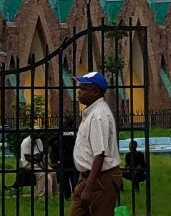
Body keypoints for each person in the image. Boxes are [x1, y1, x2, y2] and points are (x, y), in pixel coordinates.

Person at [71, 71, 122, 216]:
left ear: (95, 92)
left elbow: (100, 154)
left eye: (83, 88)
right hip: (90, 178)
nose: (78, 92)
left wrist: (88, 188)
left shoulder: (99, 115)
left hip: (100, 179)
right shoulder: (92, 113)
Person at [49, 117, 79, 201]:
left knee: (64, 179)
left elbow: (50, 141)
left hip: (64, 158)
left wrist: (57, 146)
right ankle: (76, 195)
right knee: (74, 178)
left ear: (65, 123)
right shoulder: (75, 131)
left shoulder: (62, 131)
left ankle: (67, 197)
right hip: (74, 157)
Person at [20, 133, 55, 197]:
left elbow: (41, 155)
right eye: (36, 133)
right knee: (42, 174)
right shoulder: (26, 142)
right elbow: (28, 158)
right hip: (29, 164)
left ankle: (53, 193)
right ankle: (42, 195)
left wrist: (45, 165)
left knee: (53, 173)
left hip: (39, 162)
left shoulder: (38, 141)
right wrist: (41, 166)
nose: (38, 134)